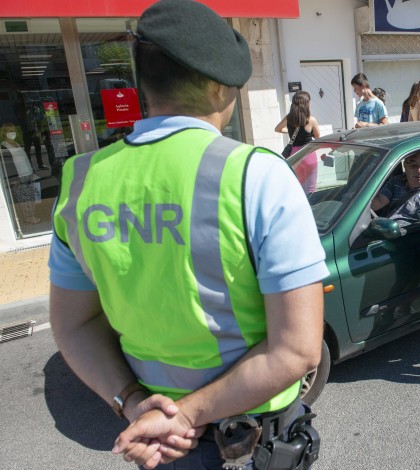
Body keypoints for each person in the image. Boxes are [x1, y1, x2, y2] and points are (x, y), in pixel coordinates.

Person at [47, 1, 328, 468]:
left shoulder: (79, 181)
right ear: (219, 87)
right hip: (247, 442)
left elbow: (72, 325)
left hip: (158, 440)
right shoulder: (255, 174)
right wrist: (188, 415)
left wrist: (134, 403)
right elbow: (297, 347)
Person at [370, 150, 420, 225]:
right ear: (405, 166)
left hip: (409, 233)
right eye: (413, 165)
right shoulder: (396, 181)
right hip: (386, 229)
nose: (419, 170)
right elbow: (379, 202)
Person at [274, 90, 321, 192]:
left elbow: (277, 129)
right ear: (306, 103)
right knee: (310, 189)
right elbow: (318, 137)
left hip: (294, 155)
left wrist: (290, 133)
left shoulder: (289, 118)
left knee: (298, 188)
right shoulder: (311, 120)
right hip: (308, 153)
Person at [0, 122, 40, 224]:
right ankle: (28, 217)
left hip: (28, 173)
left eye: (13, 131)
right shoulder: (4, 146)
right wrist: (13, 179)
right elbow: (7, 164)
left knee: (31, 197)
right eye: (9, 131)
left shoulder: (16, 143)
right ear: (4, 133)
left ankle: (32, 215)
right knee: (24, 198)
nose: (12, 133)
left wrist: (31, 170)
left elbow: (25, 158)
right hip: (19, 177)